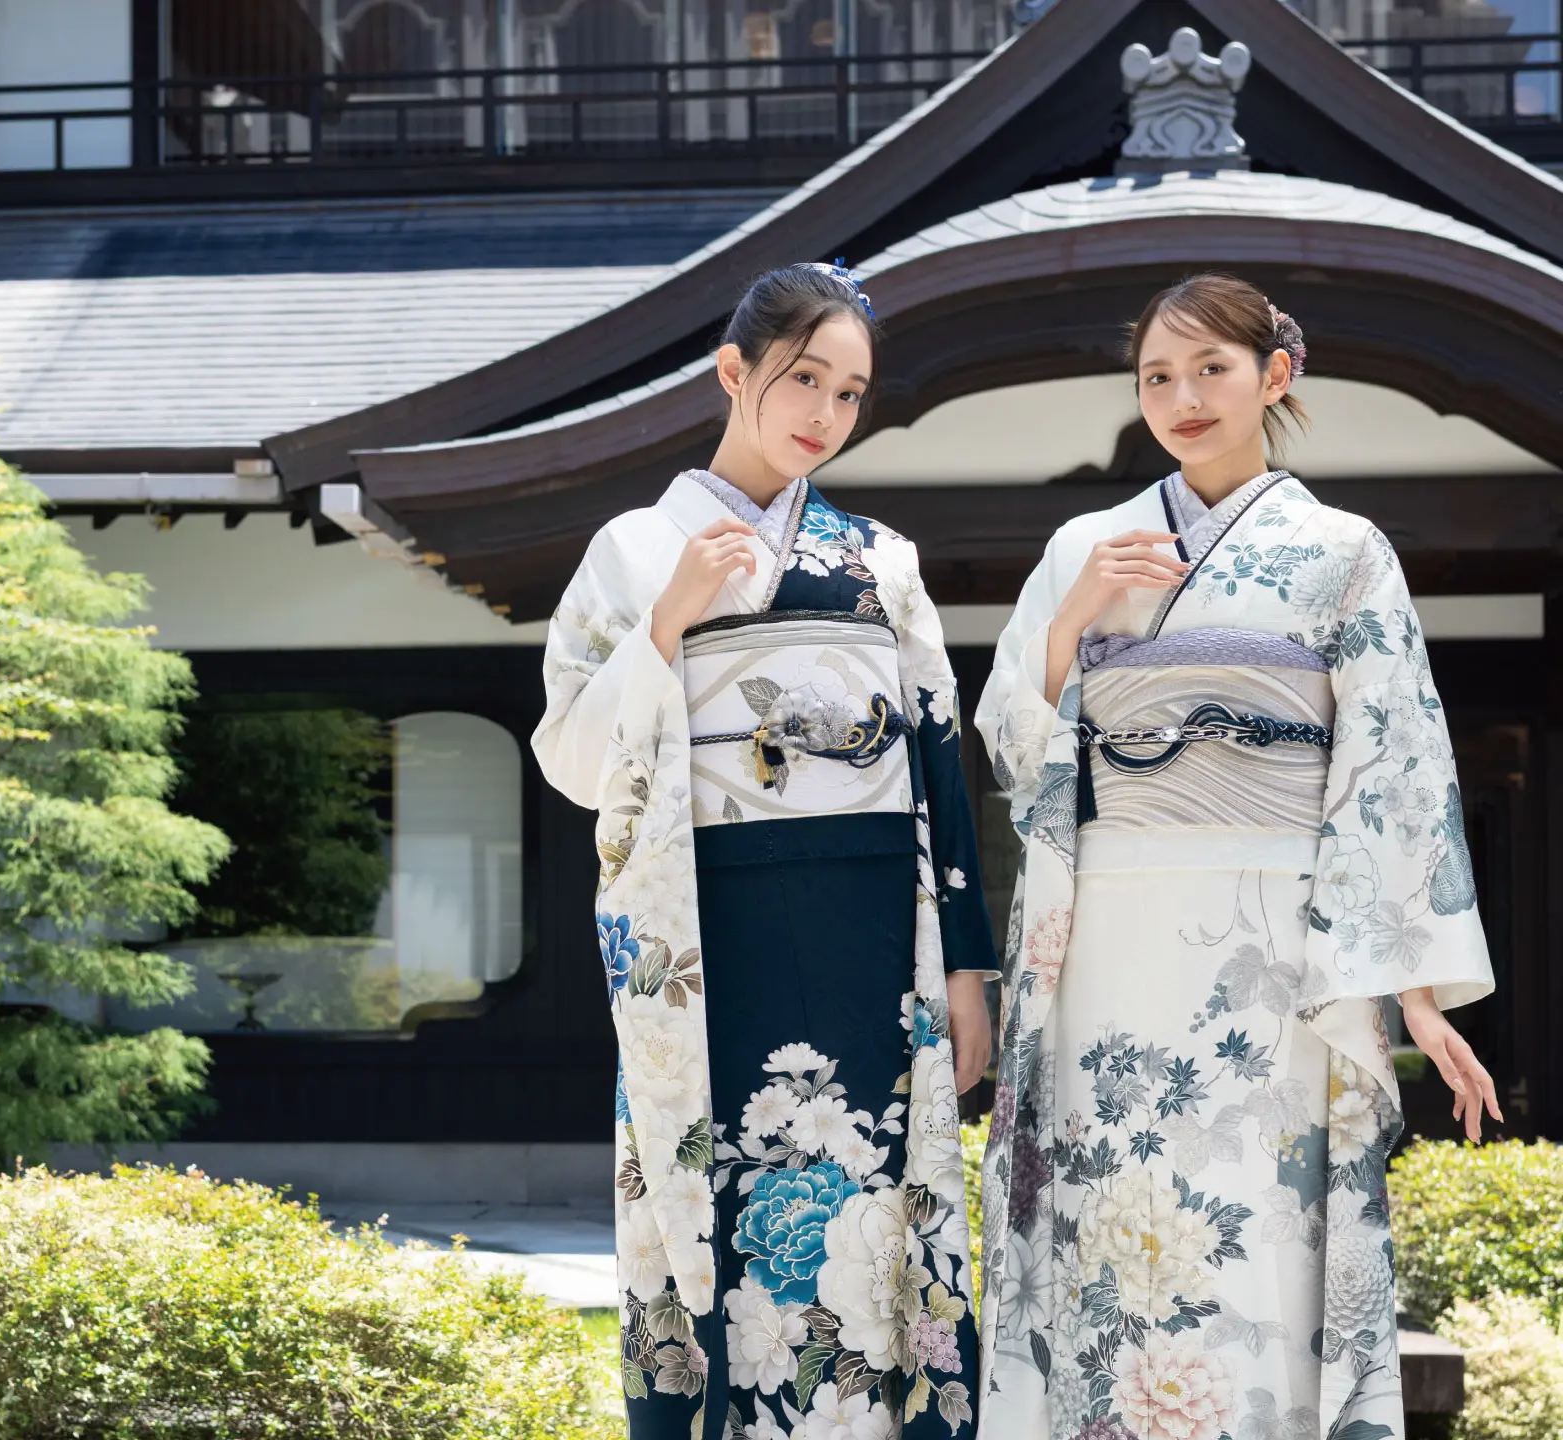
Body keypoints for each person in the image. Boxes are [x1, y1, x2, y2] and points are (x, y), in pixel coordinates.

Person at [973, 273, 1500, 1440]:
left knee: (1257, 1230)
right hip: (1105, 939)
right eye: (1156, 376)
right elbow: (1016, 748)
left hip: (1273, 949)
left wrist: (1412, 988)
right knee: (1114, 1222)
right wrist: (1072, 626)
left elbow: (1394, 763)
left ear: (1276, 373)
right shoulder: (1081, 547)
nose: (1181, 396)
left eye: (1210, 368)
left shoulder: (1343, 551)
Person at [535, 262, 998, 1440]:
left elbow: (938, 762)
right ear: (733, 371)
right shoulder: (637, 548)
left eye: (850, 394)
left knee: (878, 1221)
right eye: (804, 380)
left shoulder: (881, 562)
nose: (824, 415)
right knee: (718, 1216)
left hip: (868, 937)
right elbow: (574, 763)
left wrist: (966, 966)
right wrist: (666, 623)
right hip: (712, 939)